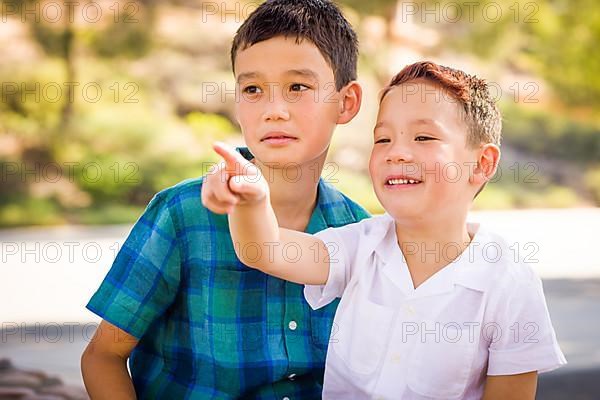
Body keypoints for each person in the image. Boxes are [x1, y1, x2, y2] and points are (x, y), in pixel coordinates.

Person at [216, 61, 567, 399]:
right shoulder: (360, 244)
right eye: (382, 139)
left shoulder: (508, 282)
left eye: (424, 137)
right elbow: (265, 249)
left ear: (481, 164)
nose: (396, 152)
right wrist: (251, 198)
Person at [80, 1, 369, 398]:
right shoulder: (183, 215)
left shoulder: (357, 230)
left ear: (347, 103)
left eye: (298, 87)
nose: (274, 110)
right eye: (252, 89)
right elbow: (102, 356)